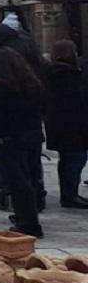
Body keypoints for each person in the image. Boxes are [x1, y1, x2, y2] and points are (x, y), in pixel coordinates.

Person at [0, 46, 46, 236]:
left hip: (10, 139)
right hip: (32, 137)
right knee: (31, 178)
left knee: (18, 182)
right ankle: (26, 215)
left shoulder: (2, 89)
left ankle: (29, 224)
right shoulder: (33, 85)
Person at [43, 40, 88, 209]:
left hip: (59, 124)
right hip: (72, 124)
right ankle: (70, 195)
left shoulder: (53, 72)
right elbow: (76, 100)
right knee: (75, 158)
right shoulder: (67, 75)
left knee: (69, 159)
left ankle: (69, 193)